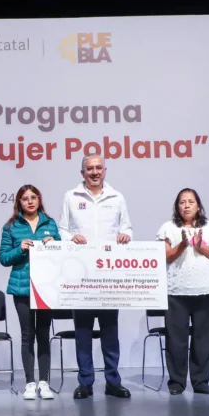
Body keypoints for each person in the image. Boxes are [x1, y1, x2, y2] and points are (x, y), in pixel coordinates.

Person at [58, 154, 132, 399]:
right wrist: (71, 238)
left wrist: (125, 235)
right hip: (81, 277)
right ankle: (85, 382)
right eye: (89, 168)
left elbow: (127, 227)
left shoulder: (117, 197)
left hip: (109, 276)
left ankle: (113, 381)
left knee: (110, 332)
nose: (94, 172)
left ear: (105, 171)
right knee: (83, 333)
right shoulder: (71, 196)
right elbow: (62, 230)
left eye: (99, 167)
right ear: (83, 173)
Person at [156, 188, 209, 395]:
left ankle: (200, 381)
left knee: (203, 338)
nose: (186, 206)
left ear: (198, 205)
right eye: (182, 202)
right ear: (177, 206)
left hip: (205, 289)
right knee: (176, 339)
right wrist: (183, 245)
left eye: (191, 202)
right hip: (176, 291)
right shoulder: (168, 227)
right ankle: (177, 383)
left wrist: (200, 245)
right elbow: (164, 256)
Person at [0, 184, 59, 401]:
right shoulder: (11, 226)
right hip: (22, 288)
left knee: (43, 334)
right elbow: (4, 258)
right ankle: (30, 383)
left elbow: (63, 254)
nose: (30, 201)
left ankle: (44, 382)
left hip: (46, 288)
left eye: (33, 197)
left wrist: (55, 244)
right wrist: (20, 249)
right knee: (27, 335)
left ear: (39, 199)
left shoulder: (50, 223)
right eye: (25, 198)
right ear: (19, 202)